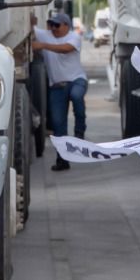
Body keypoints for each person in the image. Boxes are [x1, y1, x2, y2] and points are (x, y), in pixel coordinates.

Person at [34, 11, 87, 171]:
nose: (53, 28)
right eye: (51, 25)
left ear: (66, 26)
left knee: (77, 96)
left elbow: (66, 49)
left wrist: (42, 45)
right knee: (58, 124)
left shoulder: (73, 37)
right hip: (57, 86)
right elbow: (29, 27)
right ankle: (62, 159)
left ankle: (79, 133)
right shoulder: (46, 34)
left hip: (76, 80)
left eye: (56, 25)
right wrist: (31, 19)